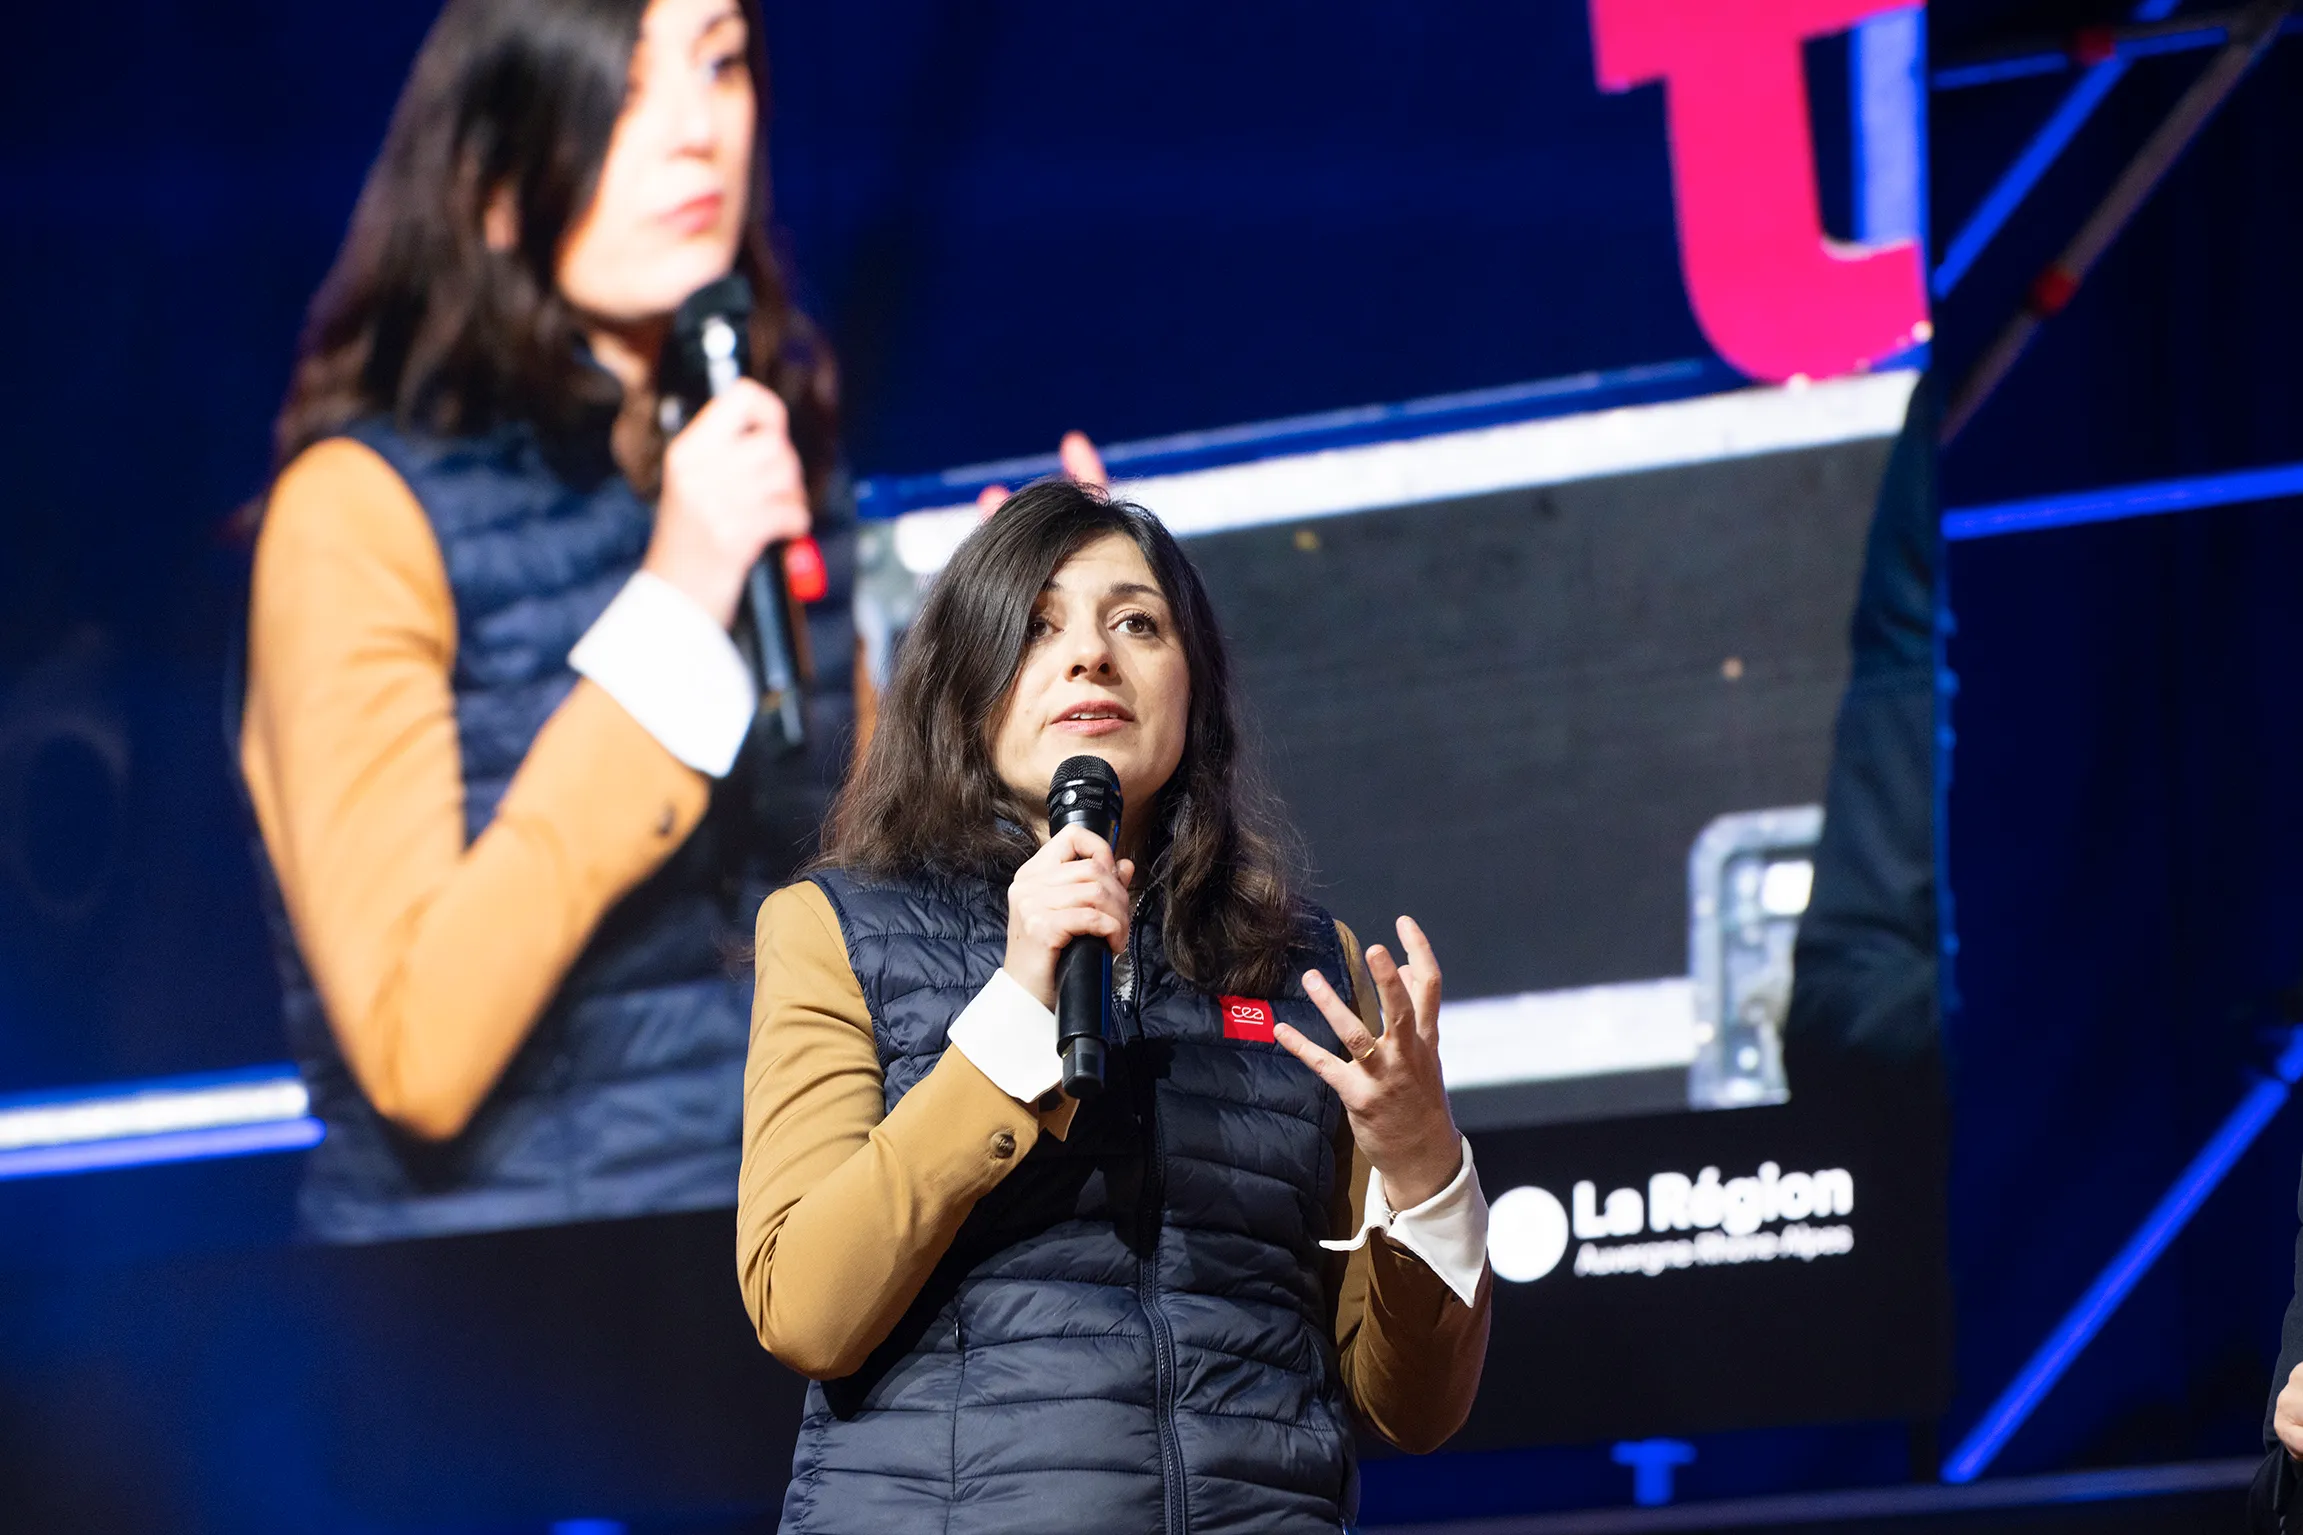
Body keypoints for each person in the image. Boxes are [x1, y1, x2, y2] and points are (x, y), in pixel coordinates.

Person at [238, 0, 1097, 1242]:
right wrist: (677, 602)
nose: (696, 130)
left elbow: (895, 944)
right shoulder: (356, 513)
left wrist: (1004, 681)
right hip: (506, 1299)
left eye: (721, 65)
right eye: (630, 88)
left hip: (809, 1264)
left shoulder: (775, 464)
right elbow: (417, 1049)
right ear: (493, 177)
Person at [737, 481, 1492, 1533]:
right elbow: (806, 1311)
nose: (1090, 655)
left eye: (1136, 623)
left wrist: (1422, 1164)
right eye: (1036, 626)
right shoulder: (837, 929)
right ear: (963, 684)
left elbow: (1413, 1407)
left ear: (1194, 688)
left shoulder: (1305, 970)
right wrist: (1015, 1009)